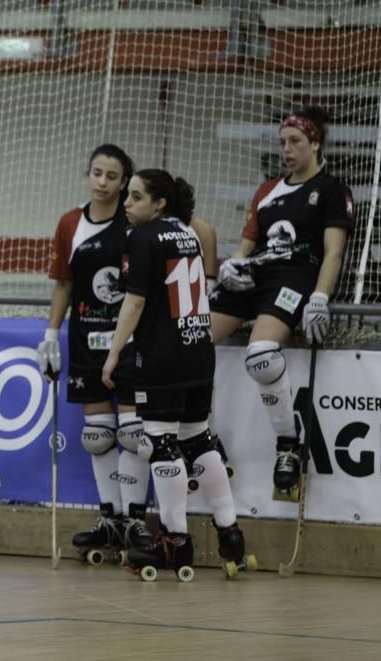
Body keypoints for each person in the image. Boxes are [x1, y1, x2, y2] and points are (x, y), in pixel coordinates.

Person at [103, 169, 248, 579]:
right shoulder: (188, 233)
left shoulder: (142, 238)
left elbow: (133, 304)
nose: (126, 204)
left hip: (163, 356)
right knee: (198, 437)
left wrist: (114, 355)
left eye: (134, 197)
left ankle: (175, 542)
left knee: (161, 442)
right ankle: (230, 532)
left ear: (158, 203)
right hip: (199, 352)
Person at [209, 107, 353, 494]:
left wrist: (320, 298)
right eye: (283, 143)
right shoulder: (267, 190)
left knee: (260, 355)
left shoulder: (332, 189)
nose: (287, 150)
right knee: (186, 345)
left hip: (295, 276)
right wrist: (229, 268)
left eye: (296, 142)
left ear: (316, 143)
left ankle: (288, 444)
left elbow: (333, 252)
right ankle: (200, 438)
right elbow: (245, 247)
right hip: (255, 275)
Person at [37, 144, 152, 560]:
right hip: (86, 339)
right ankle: (111, 519)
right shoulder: (70, 222)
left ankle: (136, 518)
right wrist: (50, 335)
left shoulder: (135, 223)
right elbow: (63, 284)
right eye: (96, 174)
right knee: (98, 436)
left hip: (132, 341)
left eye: (112, 176)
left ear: (125, 183)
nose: (102, 182)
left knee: (135, 435)